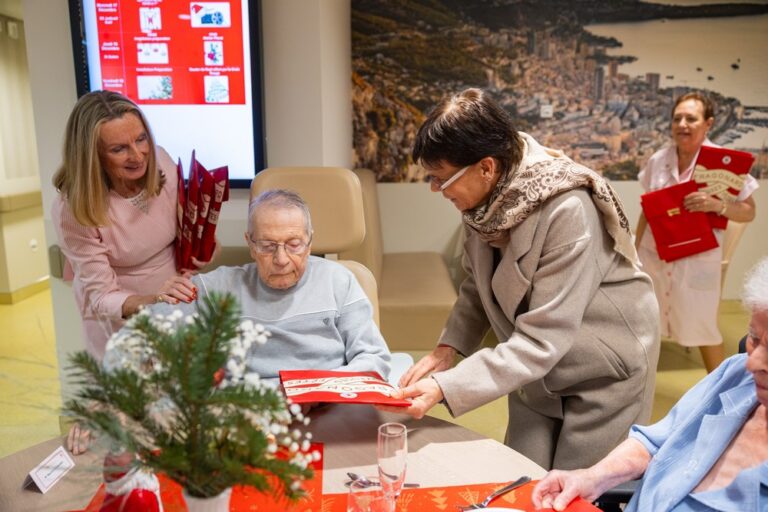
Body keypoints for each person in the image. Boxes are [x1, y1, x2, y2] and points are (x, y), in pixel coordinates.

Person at [386, 88, 660, 471]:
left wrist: (446, 387)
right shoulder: (487, 205)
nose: (435, 189)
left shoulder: (568, 208)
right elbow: (478, 284)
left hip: (601, 367)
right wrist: (448, 348)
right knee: (520, 475)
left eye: (441, 179)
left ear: (486, 167)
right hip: (532, 367)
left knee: (576, 489)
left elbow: (543, 338)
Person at [532, 256, 768, 512]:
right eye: (754, 338)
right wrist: (592, 477)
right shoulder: (735, 374)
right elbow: (653, 443)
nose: (752, 363)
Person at [52, 91, 211, 453]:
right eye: (119, 149)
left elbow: (180, 230)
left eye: (141, 139)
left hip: (170, 287)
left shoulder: (161, 162)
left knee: (176, 401)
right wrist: (153, 301)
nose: (138, 155)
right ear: (92, 157)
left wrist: (198, 252)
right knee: (127, 408)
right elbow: (101, 296)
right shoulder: (73, 208)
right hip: (117, 308)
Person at [134, 189, 392, 384]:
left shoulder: (339, 281)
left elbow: (374, 359)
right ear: (250, 243)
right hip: (246, 411)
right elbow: (146, 339)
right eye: (267, 246)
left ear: (310, 242)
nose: (281, 259)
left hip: (328, 405)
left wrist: (318, 388)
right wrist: (160, 301)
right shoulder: (217, 289)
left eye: (293, 245)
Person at [635, 92, 758, 373]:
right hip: (655, 255)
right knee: (646, 322)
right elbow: (647, 209)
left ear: (708, 123)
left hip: (697, 259)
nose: (682, 124)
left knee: (703, 329)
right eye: (677, 118)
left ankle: (718, 388)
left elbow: (748, 211)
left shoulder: (723, 163)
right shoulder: (659, 160)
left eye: (691, 118)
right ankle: (640, 384)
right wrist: (635, 251)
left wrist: (717, 205)